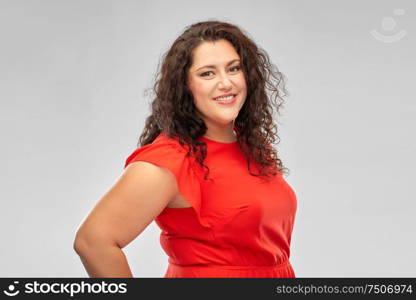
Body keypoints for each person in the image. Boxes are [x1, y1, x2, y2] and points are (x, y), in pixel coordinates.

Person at [73, 20, 297, 278]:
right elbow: (93, 242)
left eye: (233, 69)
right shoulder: (170, 160)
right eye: (207, 73)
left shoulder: (252, 148)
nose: (226, 83)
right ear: (186, 87)